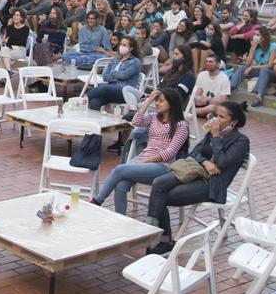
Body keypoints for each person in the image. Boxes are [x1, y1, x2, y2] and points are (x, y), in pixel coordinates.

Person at [144, 101, 251, 254]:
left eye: (221, 117)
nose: (215, 119)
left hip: (213, 184)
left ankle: (159, 240)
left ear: (233, 122)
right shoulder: (211, 132)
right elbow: (194, 153)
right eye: (215, 115)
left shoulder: (241, 141)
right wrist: (206, 161)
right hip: (194, 172)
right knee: (159, 183)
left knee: (161, 197)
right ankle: (156, 237)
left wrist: (216, 136)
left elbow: (223, 161)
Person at [91, 87, 190, 215]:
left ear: (172, 103)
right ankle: (119, 220)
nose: (158, 103)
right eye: (157, 101)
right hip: (143, 160)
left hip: (162, 165)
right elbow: (135, 121)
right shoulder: (153, 117)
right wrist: (148, 100)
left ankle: (97, 201)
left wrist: (145, 161)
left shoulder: (181, 125)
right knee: (121, 186)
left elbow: (170, 152)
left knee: (119, 169)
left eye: (161, 101)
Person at [87, 36, 142, 111]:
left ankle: (85, 98)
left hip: (125, 92)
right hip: (111, 90)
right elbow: (105, 76)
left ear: (131, 48)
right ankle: (98, 121)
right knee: (95, 102)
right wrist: (117, 76)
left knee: (104, 87)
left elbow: (124, 75)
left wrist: (113, 73)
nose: (121, 47)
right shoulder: (115, 59)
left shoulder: (135, 62)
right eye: (121, 44)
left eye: (124, 45)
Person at [193, 53, 231, 118]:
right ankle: (206, 114)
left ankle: (192, 112)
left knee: (212, 107)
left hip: (214, 106)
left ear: (218, 64)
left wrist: (208, 100)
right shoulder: (201, 75)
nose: (208, 63)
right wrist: (198, 99)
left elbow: (223, 100)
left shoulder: (224, 78)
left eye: (211, 62)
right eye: (206, 61)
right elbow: (197, 93)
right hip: (202, 104)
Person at [0, 9, 31, 73]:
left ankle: (2, 77)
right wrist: (12, 41)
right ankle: (8, 72)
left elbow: (22, 43)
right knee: (4, 49)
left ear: (22, 18)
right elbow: (6, 43)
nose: (15, 16)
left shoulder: (26, 29)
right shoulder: (9, 27)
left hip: (20, 49)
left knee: (4, 55)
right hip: (10, 48)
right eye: (14, 15)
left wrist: (10, 40)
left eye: (17, 15)